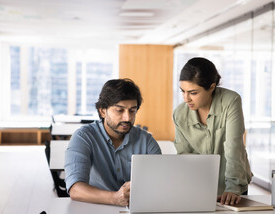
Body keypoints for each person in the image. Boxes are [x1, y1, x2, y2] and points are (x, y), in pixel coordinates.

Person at [65, 78, 161, 206]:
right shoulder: (83, 137)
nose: (127, 118)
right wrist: (114, 198)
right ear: (102, 111)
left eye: (132, 110)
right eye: (120, 110)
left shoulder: (146, 141)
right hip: (95, 209)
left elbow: (160, 183)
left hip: (136, 211)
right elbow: (75, 189)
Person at [173, 57, 252, 206]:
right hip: (199, 190)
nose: (186, 98)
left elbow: (233, 146)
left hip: (232, 188)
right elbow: (184, 155)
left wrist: (233, 188)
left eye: (193, 93)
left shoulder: (230, 101)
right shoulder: (179, 114)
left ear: (211, 87)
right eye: (183, 91)